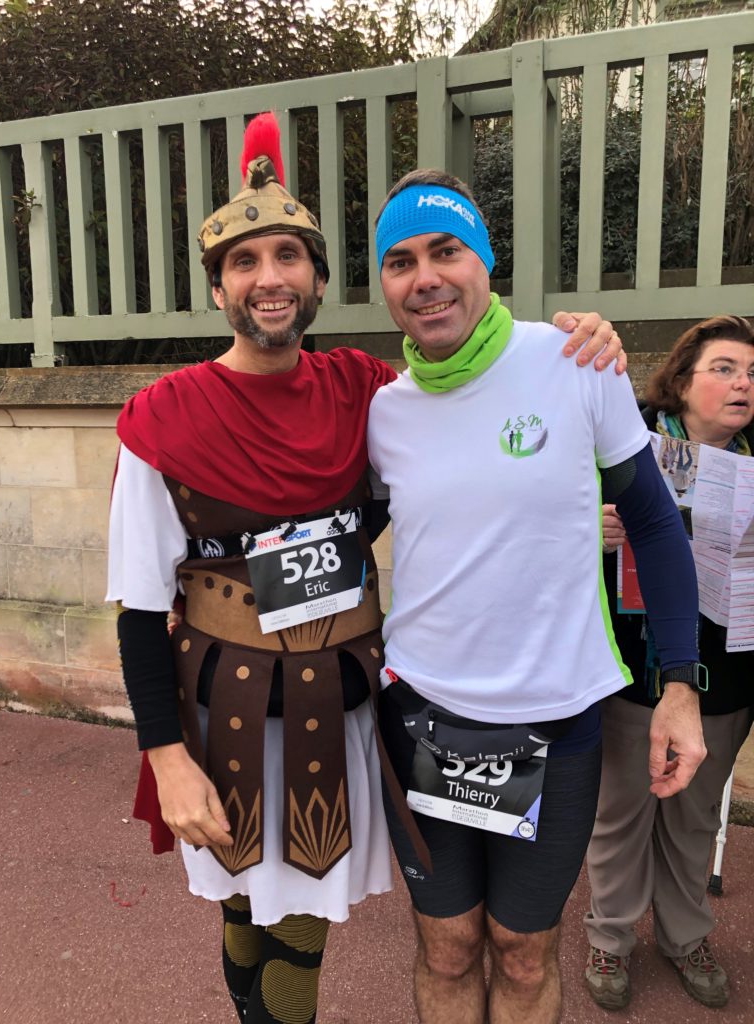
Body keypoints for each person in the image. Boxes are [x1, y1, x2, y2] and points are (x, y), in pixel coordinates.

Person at [106, 113, 623, 1024]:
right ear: (218, 287)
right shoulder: (165, 419)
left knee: (302, 917)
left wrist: (580, 341)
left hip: (334, 705)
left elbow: (448, 446)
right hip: (225, 707)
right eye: (244, 263)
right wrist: (166, 755)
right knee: (245, 904)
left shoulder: (366, 394)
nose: (270, 279)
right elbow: (140, 606)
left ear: (318, 280)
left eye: (289, 258)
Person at [366, 169, 708, 1024]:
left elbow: (654, 524)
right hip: (423, 715)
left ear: (486, 260)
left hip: (554, 726)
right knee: (447, 946)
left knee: (524, 954)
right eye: (401, 261)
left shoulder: (575, 362)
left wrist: (679, 684)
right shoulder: (382, 412)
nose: (426, 277)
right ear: (385, 284)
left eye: (446, 251)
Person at [584, 315, 754, 1012]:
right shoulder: (624, 446)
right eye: (725, 369)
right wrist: (589, 527)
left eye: (752, 374)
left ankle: (686, 938)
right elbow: (544, 525)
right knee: (620, 811)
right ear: (681, 382)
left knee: (694, 816)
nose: (743, 384)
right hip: (633, 667)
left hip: (729, 674)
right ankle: (610, 936)